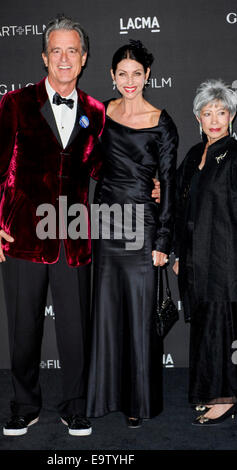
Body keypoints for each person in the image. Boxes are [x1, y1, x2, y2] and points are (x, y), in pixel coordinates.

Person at [0, 15, 106, 437]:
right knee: (23, 330)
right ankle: (25, 405)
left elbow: (105, 171)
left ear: (83, 59)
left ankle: (76, 406)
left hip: (74, 239)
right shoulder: (15, 103)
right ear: (44, 57)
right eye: (56, 50)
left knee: (76, 333)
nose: (64, 58)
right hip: (23, 239)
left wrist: (149, 185)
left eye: (72, 50)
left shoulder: (95, 111)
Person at [87, 40, 178, 427]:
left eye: (136, 74)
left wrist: (163, 241)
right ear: (112, 76)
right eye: (122, 74)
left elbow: (171, 186)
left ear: (147, 76)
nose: (129, 81)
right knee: (107, 312)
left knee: (140, 317)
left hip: (143, 225)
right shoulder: (101, 113)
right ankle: (103, 396)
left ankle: (137, 402)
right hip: (106, 221)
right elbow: (84, 161)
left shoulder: (162, 122)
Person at [173, 79, 237, 425]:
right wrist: (178, 254)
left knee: (222, 328)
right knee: (203, 326)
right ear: (198, 117)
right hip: (195, 259)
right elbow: (182, 208)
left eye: (221, 112)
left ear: (231, 116)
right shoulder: (193, 155)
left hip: (225, 258)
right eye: (207, 112)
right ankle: (207, 391)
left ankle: (225, 398)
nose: (214, 119)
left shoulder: (235, 155)